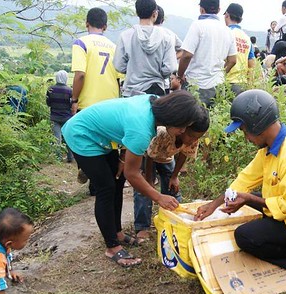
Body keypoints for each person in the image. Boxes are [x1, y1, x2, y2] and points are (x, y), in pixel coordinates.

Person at [194, 90, 286, 283]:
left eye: (244, 131)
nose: (246, 138)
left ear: (256, 126)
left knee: (244, 236)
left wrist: (248, 199)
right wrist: (214, 205)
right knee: (251, 198)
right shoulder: (270, 148)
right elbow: (245, 179)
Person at [61, 91, 202, 268]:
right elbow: (132, 174)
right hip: (81, 135)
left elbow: (124, 131)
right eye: (182, 127)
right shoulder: (141, 129)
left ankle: (117, 233)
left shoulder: (155, 102)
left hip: (102, 136)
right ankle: (112, 247)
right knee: (106, 188)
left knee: (117, 182)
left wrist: (122, 159)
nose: (183, 132)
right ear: (173, 117)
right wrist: (159, 197)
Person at [133, 110, 210, 242]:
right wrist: (149, 180)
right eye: (191, 136)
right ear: (183, 129)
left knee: (173, 189)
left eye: (198, 137)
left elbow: (183, 155)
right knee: (144, 191)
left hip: (167, 158)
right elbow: (151, 156)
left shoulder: (193, 138)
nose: (194, 140)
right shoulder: (163, 133)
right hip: (148, 158)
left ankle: (176, 219)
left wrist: (174, 176)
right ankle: (142, 227)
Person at [71, 7, 121, 189]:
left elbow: (80, 75)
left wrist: (74, 99)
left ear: (86, 23)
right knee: (109, 145)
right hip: (111, 103)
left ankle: (90, 174)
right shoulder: (114, 47)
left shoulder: (81, 43)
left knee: (86, 143)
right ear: (105, 27)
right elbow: (119, 78)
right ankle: (110, 179)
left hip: (89, 102)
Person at [177, 0, 237, 108]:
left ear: (201, 9)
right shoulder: (227, 31)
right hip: (217, 85)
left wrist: (180, 75)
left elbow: (187, 55)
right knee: (213, 119)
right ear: (219, 10)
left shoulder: (198, 25)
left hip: (195, 84)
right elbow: (233, 60)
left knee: (191, 120)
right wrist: (221, 74)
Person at [113, 0, 176, 97]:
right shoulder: (166, 37)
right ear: (155, 13)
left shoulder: (125, 35)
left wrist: (133, 69)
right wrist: (159, 74)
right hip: (156, 91)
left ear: (137, 13)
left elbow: (118, 65)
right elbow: (170, 67)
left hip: (131, 92)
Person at [224, 3, 256, 96]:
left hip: (226, 81)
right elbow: (252, 64)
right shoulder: (246, 38)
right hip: (242, 83)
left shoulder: (226, 33)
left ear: (226, 15)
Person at [46, 70, 74, 163]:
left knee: (57, 138)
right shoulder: (70, 90)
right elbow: (72, 104)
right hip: (67, 118)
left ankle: (58, 158)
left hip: (54, 117)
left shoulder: (50, 89)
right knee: (68, 138)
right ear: (66, 78)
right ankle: (70, 158)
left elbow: (48, 103)